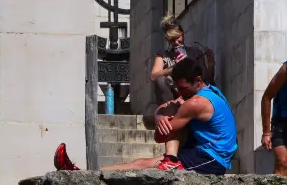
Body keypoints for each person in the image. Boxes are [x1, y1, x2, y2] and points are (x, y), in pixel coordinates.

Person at [101, 58, 237, 174]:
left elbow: (160, 137)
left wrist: (165, 119)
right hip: (202, 150)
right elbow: (165, 107)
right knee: (143, 162)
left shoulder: (196, 103)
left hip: (211, 158)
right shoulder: (210, 91)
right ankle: (100, 170)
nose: (181, 93)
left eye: (184, 88)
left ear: (198, 80)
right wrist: (159, 117)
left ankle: (171, 160)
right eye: (178, 88)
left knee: (151, 166)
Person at [150, 15, 189, 105]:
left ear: (182, 34)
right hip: (172, 96)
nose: (176, 42)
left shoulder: (192, 52)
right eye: (172, 40)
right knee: (160, 80)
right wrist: (173, 68)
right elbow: (153, 76)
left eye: (178, 38)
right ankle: (170, 111)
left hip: (189, 94)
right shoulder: (164, 55)